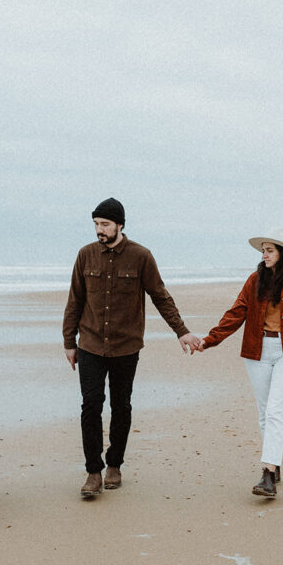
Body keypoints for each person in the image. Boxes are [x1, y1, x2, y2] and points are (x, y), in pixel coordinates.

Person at [63, 198, 202, 497]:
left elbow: (160, 296)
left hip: (126, 347)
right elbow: (75, 299)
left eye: (105, 225)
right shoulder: (85, 255)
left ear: (120, 225)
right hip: (89, 345)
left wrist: (182, 331)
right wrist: (68, 342)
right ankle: (93, 472)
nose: (99, 230)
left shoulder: (141, 256)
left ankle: (115, 464)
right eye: (96, 225)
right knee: (91, 406)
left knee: (121, 406)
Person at [198, 228, 283, 498]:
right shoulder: (255, 280)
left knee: (276, 411)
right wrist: (210, 340)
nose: (263, 254)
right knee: (265, 413)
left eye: (269, 250)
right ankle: (274, 463)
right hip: (258, 350)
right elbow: (236, 312)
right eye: (263, 250)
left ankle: (267, 475)